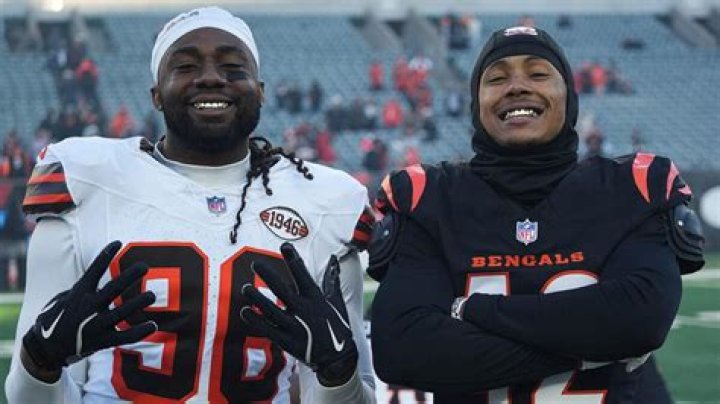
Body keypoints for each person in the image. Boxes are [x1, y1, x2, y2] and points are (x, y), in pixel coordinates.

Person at [6, 7, 376, 403]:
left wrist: (337, 376)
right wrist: (40, 363)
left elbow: (360, 392)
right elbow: (26, 395)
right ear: (156, 94)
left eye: (233, 66)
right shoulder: (88, 181)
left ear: (260, 90)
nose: (211, 77)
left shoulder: (324, 203)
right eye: (185, 66)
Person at [369, 26, 704, 403]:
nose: (517, 86)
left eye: (538, 73)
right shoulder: (430, 198)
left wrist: (473, 310)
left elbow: (639, 319)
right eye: (497, 78)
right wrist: (593, 352)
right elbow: (403, 349)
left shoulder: (631, 187)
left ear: (569, 97)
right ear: (476, 104)